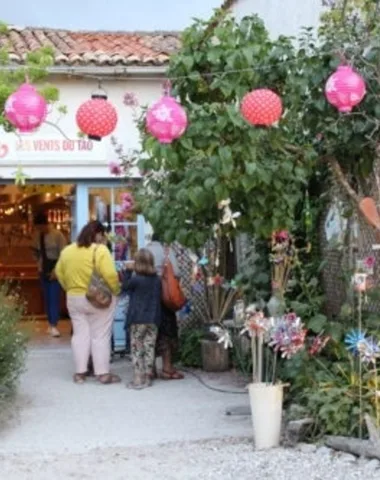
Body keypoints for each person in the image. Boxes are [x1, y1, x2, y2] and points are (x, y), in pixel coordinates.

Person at [55, 220, 121, 385]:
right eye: (103, 235)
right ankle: (103, 374)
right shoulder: (100, 250)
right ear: (98, 234)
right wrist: (116, 291)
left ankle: (80, 373)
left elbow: (58, 272)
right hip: (97, 299)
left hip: (74, 298)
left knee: (80, 334)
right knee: (100, 335)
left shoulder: (67, 251)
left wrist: (69, 288)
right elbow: (110, 275)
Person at [122, 249, 161, 390]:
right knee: (149, 347)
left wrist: (127, 271)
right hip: (153, 318)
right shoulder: (157, 280)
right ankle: (148, 376)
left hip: (137, 318)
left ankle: (138, 377)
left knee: (137, 347)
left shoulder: (136, 280)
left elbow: (124, 287)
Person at [147, 233, 184, 380]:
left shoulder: (144, 250)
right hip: (164, 297)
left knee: (151, 331)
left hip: (148, 297)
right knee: (167, 331)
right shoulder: (166, 251)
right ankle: (167, 368)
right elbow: (176, 272)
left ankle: (151, 369)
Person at [32, 212, 67, 337]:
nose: (39, 230)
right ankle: (50, 322)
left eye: (40, 227)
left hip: (55, 268)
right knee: (46, 297)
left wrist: (57, 271)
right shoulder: (37, 236)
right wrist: (37, 262)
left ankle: (54, 324)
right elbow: (35, 251)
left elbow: (64, 254)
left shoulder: (58, 235)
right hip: (43, 269)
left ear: (46, 224)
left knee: (54, 297)